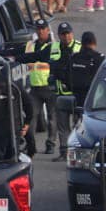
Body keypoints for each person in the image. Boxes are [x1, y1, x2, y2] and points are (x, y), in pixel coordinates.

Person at [22, 20, 60, 154]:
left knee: (52, 118)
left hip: (49, 88)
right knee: (31, 118)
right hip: (34, 88)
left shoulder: (54, 46)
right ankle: (30, 145)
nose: (40, 31)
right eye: (38, 29)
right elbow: (20, 54)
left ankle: (51, 144)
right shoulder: (30, 45)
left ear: (48, 30)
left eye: (43, 28)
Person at [46, 22, 84, 155]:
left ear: (72, 33)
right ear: (59, 36)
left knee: (78, 125)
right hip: (60, 95)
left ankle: (78, 152)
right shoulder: (54, 47)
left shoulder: (80, 47)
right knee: (62, 126)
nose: (66, 36)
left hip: (76, 94)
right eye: (63, 34)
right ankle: (64, 152)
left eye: (68, 33)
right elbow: (42, 60)